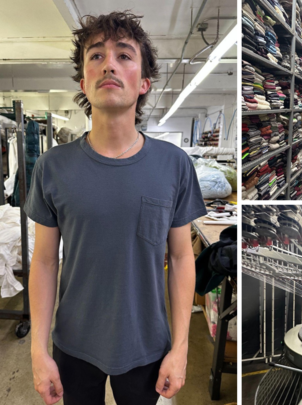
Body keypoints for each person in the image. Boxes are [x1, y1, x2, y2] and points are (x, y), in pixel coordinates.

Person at [27, 12, 207, 405]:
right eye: (96, 56)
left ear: (144, 83)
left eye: (124, 55)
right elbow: (42, 262)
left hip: (146, 345)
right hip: (74, 345)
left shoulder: (173, 165)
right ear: (83, 82)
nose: (109, 63)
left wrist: (180, 348)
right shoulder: (52, 167)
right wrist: (38, 351)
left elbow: (180, 258)